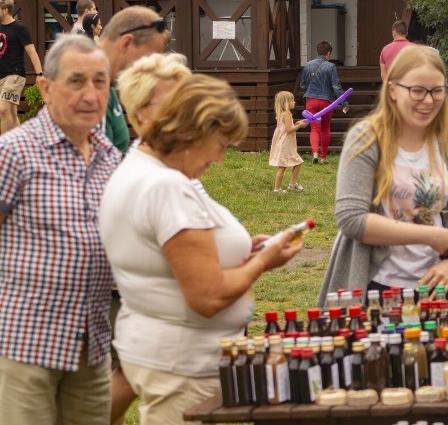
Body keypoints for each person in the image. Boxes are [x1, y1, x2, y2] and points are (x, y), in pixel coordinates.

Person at [99, 74, 303, 425]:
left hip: (164, 354)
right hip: (183, 366)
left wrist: (237, 250)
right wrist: (263, 261)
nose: (221, 159)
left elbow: (167, 254)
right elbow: (207, 297)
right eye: (221, 144)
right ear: (195, 130)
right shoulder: (167, 186)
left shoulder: (139, 165)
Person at [0, 34, 121, 424]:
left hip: (92, 344)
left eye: (100, 82)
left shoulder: (110, 156)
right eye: (76, 81)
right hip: (26, 343)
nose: (90, 94)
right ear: (47, 88)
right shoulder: (15, 151)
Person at [318, 45, 448, 306]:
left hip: (438, 292)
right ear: (393, 90)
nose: (429, 100)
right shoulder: (366, 141)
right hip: (375, 290)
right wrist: (427, 235)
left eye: (437, 91)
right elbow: (351, 219)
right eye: (418, 91)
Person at [110, 52, 192, 425]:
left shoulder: (169, 168)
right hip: (167, 341)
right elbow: (204, 287)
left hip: (175, 341)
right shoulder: (152, 177)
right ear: (140, 112)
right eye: (172, 103)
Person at [98, 5, 170, 154]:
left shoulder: (107, 84)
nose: (151, 68)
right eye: (149, 57)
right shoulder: (88, 90)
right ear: (126, 43)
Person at [0, 0, 43, 134]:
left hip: (15, 73)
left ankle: (4, 147)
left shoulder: (19, 27)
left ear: (5, 10)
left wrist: (39, 73)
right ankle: (20, 144)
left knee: (3, 109)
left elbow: (31, 51)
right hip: (1, 74)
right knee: (11, 112)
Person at [300, 40, 348, 164]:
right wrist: (344, 103)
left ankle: (314, 153)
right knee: (325, 128)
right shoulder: (331, 67)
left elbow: (303, 85)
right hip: (326, 102)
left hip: (311, 100)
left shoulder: (308, 65)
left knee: (314, 128)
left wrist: (308, 94)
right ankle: (323, 157)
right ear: (328, 53)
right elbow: (336, 87)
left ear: (317, 51)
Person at [269, 90, 308, 192]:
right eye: (292, 100)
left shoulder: (284, 114)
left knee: (297, 162)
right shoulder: (286, 114)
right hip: (285, 145)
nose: (294, 102)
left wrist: (297, 124)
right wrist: (299, 126)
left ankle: (292, 184)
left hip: (286, 144)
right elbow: (289, 130)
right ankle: (277, 188)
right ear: (286, 103)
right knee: (282, 166)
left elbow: (288, 128)